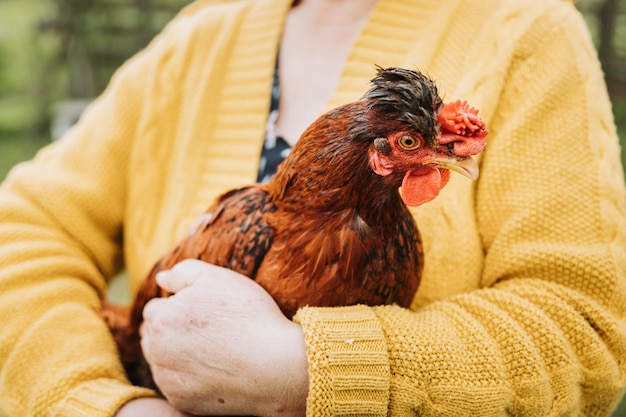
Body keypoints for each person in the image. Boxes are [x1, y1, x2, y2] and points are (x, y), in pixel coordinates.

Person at [0, 0, 625, 415]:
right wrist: (103, 403)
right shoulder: (196, 40)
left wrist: (304, 370)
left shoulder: (525, 29)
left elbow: (588, 328)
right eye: (412, 144)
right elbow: (21, 228)